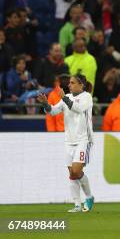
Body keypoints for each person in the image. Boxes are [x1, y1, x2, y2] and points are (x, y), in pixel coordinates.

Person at [35, 74, 95, 213]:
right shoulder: (66, 98)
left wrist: (64, 98)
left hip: (84, 140)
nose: (69, 85)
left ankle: (89, 197)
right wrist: (45, 104)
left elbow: (78, 109)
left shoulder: (87, 97)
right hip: (69, 141)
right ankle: (77, 205)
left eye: (73, 82)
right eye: (69, 83)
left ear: (81, 85)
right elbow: (53, 111)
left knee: (76, 170)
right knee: (72, 174)